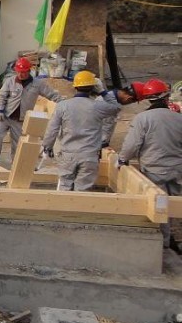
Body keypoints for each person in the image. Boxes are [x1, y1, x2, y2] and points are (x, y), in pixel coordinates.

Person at [118, 79, 182, 249]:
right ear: (166, 97)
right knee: (172, 206)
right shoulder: (178, 118)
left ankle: (164, 244)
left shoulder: (142, 118)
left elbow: (132, 144)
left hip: (154, 170)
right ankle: (171, 240)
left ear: (147, 98)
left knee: (158, 207)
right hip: (177, 170)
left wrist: (122, 159)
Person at [40, 70, 121, 192]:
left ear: (75, 87)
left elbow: (52, 129)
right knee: (82, 192)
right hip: (89, 155)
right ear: (93, 88)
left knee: (64, 187)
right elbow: (116, 108)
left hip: (68, 155)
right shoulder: (97, 106)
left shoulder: (63, 106)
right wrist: (104, 92)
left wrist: (47, 147)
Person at [0, 57, 62, 163]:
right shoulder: (10, 81)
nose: (21, 75)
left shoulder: (38, 84)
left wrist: (64, 102)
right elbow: (2, 96)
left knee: (17, 143)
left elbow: (52, 94)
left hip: (20, 119)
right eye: (19, 72)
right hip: (6, 116)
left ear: (29, 71)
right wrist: (0, 110)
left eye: (23, 72)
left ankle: (15, 161)